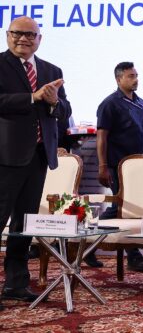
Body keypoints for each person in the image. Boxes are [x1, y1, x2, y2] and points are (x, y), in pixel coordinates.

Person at [0, 16, 71, 309]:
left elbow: (65, 111)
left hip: (38, 157)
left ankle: (16, 284)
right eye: (17, 33)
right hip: (5, 157)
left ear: (39, 39)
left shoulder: (52, 71)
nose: (24, 39)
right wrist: (32, 97)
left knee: (24, 224)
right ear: (8, 35)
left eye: (30, 34)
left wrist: (53, 102)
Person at [95, 62, 143, 271]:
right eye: (130, 76)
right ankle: (133, 256)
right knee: (121, 207)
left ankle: (88, 243)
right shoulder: (109, 104)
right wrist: (103, 166)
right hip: (117, 165)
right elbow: (102, 137)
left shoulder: (141, 103)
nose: (135, 79)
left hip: (139, 167)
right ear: (119, 79)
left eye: (136, 75)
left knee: (125, 208)